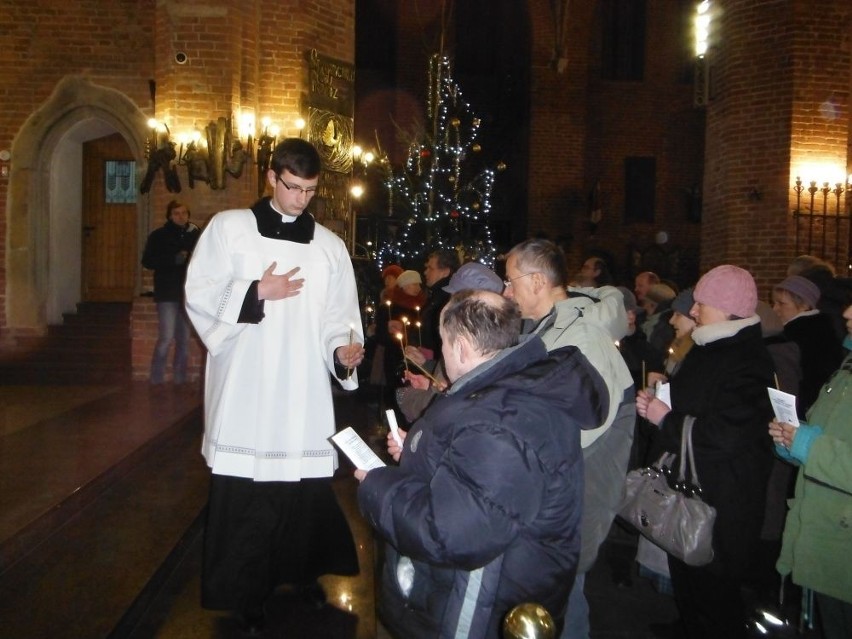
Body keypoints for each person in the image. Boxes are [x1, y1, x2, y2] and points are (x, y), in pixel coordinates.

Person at [184, 138, 365, 632]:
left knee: (301, 497)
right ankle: (244, 592)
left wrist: (342, 351)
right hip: (246, 389)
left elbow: (339, 318)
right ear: (271, 176)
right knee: (246, 499)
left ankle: (302, 575)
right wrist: (256, 292)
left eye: (309, 190)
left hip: (303, 392)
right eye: (291, 187)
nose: (300, 199)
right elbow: (198, 295)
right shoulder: (229, 230)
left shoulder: (329, 247)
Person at [355, 290, 609, 638]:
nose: (441, 352)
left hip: (482, 606)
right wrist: (416, 454)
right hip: (486, 591)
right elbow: (474, 478)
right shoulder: (503, 387)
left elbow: (450, 534)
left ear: (460, 345)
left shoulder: (501, 423)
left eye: (443, 342)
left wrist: (376, 483)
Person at [502, 239, 634, 639]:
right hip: (567, 487)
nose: (506, 291)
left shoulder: (578, 338)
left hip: (578, 491)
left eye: (511, 282)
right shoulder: (555, 326)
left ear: (538, 281)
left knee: (562, 593)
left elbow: (573, 431)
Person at [636, 264, 775, 639]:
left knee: (716, 596)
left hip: (722, 502)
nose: (693, 312)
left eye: (701, 304)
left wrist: (667, 419)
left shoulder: (748, 361)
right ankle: (687, 625)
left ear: (728, 309)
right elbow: (694, 404)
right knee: (687, 576)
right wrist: (660, 401)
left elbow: (726, 436)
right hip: (693, 489)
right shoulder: (709, 346)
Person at [769, 301, 852, 639]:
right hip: (825, 538)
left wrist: (808, 445)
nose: (846, 312)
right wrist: (792, 438)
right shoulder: (847, 366)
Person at [141, 199, 200, 385]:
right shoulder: (159, 235)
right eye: (176, 213)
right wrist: (173, 259)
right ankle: (156, 378)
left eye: (184, 213)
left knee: (184, 340)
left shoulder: (195, 234)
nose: (181, 217)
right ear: (169, 216)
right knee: (166, 337)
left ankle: (179, 379)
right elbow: (148, 261)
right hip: (167, 291)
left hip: (187, 292)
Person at [771, 275, 844, 417]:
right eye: (774, 303)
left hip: (803, 411)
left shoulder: (794, 336)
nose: (775, 309)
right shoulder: (826, 329)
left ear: (804, 305)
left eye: (781, 303)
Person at [419, 248, 460, 359]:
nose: (425, 272)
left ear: (445, 272)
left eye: (430, 268)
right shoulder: (435, 295)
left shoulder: (447, 299)